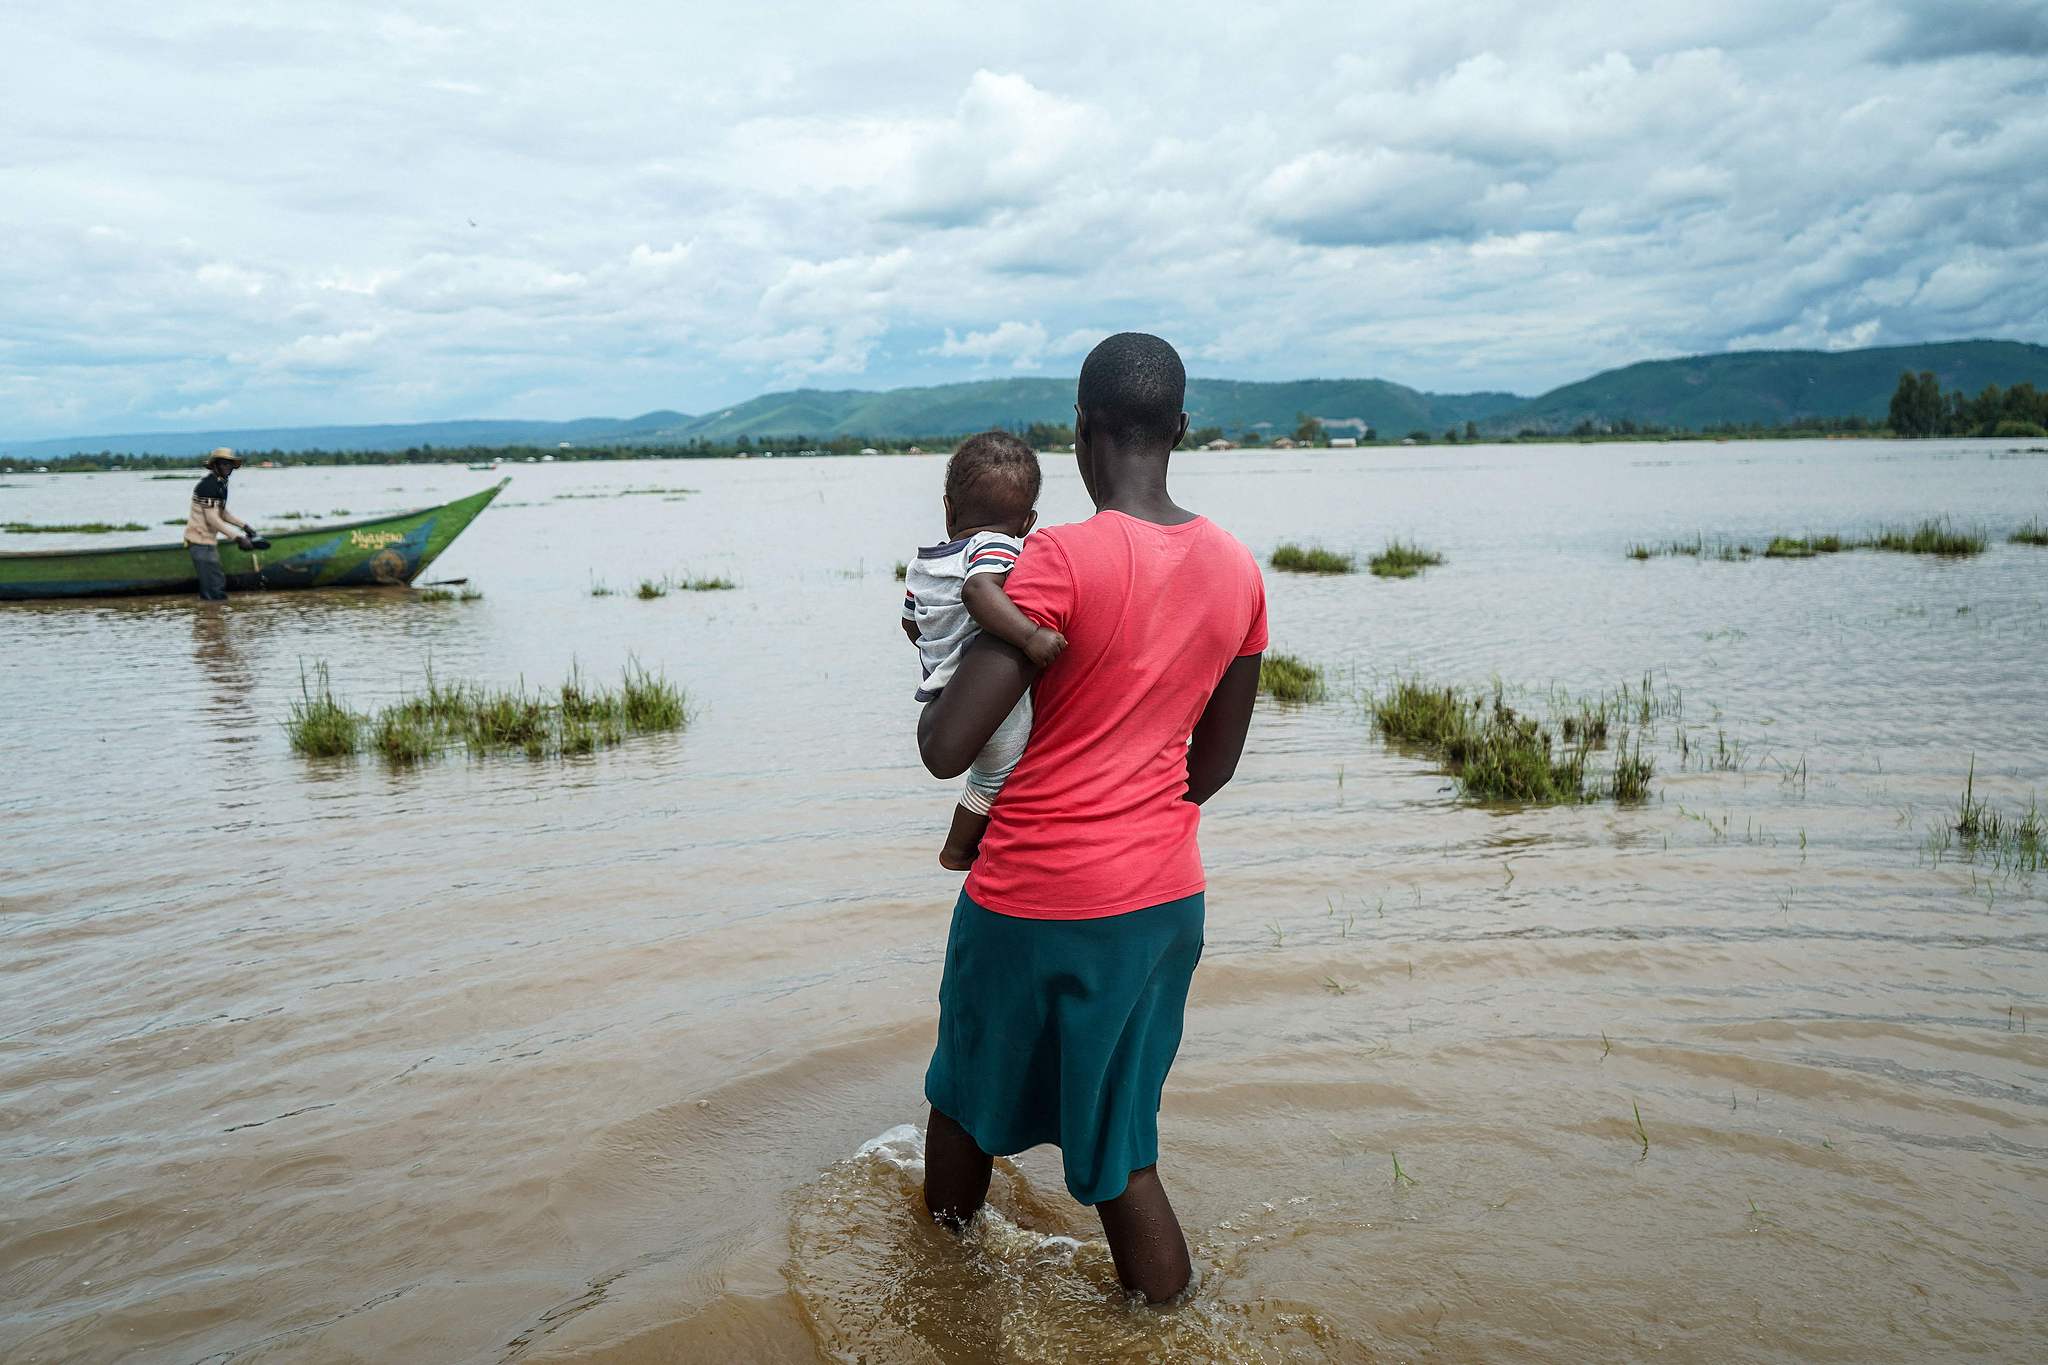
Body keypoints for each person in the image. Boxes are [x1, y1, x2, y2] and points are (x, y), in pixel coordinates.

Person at [914, 332, 1267, 1303]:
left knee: (962, 1108)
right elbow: (1214, 765)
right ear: (1180, 429)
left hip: (1032, 895)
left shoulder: (1057, 558)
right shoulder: (1236, 568)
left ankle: (934, 1301)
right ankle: (1165, 1329)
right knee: (1121, 1157)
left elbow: (947, 748)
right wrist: (1133, 819)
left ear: (1080, 430)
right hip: (1162, 902)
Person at [901, 432, 1068, 870]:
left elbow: (910, 623)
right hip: (980, 689)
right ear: (1029, 522)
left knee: (992, 770)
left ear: (948, 509)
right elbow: (979, 591)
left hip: (941, 686)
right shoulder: (997, 546)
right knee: (996, 774)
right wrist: (1030, 637)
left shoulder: (922, 563)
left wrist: (939, 643)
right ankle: (956, 851)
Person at [183, 448, 258, 602]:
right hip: (199, 542)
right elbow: (212, 519)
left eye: (230, 464)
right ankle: (212, 621)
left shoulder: (220, 484)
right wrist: (238, 538)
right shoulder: (207, 486)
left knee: (214, 586)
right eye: (224, 464)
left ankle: (211, 618)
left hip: (208, 543)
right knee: (214, 588)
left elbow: (222, 513)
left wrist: (245, 527)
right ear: (215, 466)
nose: (227, 468)